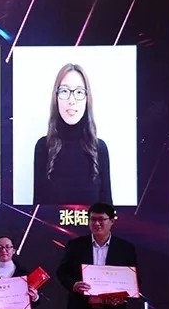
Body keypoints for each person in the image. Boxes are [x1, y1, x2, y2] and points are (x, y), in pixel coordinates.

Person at [32, 64, 112, 205]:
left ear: (87, 98)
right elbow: (37, 211)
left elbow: (107, 209)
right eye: (64, 91)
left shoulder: (100, 149)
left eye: (79, 92)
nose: (71, 101)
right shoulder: (43, 147)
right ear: (56, 97)